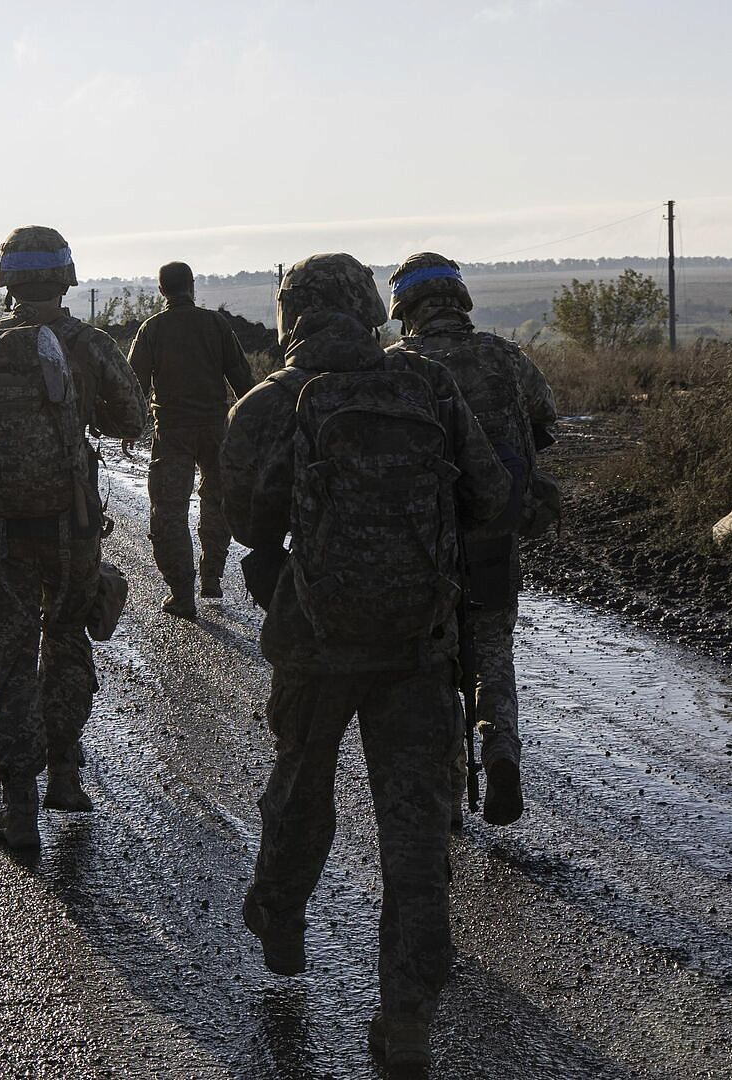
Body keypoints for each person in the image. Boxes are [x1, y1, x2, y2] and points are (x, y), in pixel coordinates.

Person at [219, 253, 509, 1077]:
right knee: (414, 832)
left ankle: (281, 917)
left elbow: (246, 524)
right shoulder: (427, 385)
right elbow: (491, 496)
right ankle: (407, 1017)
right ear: (367, 309)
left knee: (301, 786)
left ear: (293, 314)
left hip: (315, 643)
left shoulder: (270, 401)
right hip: (417, 642)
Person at [0, 226, 147, 850]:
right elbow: (134, 419)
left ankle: (20, 810)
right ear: (64, 277)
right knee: (66, 638)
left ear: (7, 281)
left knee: (10, 661)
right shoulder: (88, 343)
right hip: (71, 525)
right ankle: (65, 774)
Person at [386, 252, 560, 828]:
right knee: (492, 647)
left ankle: (448, 786)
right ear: (459, 299)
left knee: (433, 660)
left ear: (405, 308)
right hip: (494, 529)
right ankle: (501, 748)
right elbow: (546, 416)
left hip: (423, 542)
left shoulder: (395, 367)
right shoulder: (503, 356)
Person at [126, 261, 256, 618]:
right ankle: (212, 574)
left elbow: (133, 386)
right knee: (216, 500)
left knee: (169, 511)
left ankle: (182, 594)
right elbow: (243, 380)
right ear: (192, 286)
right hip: (216, 428)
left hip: (172, 432)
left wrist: (129, 427)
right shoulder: (216, 324)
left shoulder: (153, 328)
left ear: (161, 290)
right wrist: (251, 430)